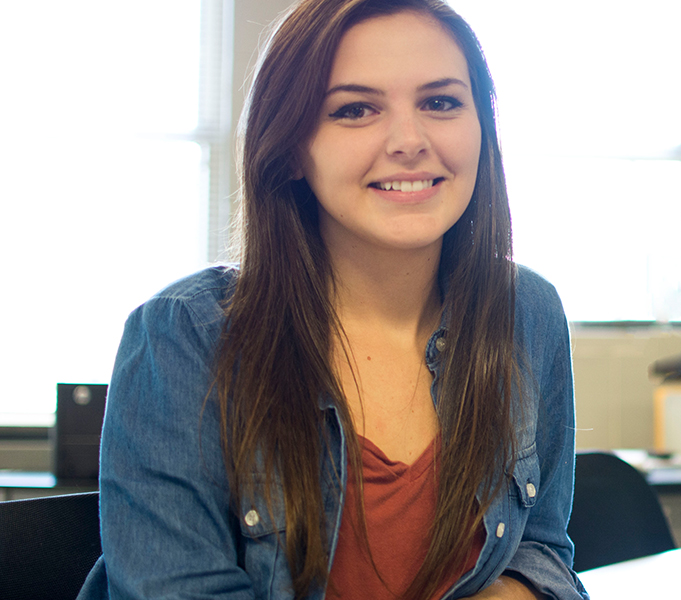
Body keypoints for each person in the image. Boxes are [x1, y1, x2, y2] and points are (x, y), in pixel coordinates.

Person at [76, 0, 586, 598]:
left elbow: (539, 547)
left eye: (441, 102)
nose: (409, 141)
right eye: (355, 109)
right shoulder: (183, 336)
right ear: (290, 146)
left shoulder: (527, 314)